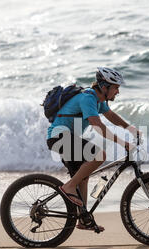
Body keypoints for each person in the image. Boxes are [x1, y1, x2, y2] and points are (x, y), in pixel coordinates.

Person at [46, 67, 140, 231]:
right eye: (116, 87)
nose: (117, 92)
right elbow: (97, 125)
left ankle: (83, 219)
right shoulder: (88, 98)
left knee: (83, 177)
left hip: (66, 138)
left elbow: (111, 116)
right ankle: (68, 187)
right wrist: (123, 142)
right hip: (59, 136)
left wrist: (129, 128)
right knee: (99, 155)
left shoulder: (98, 100)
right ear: (104, 87)